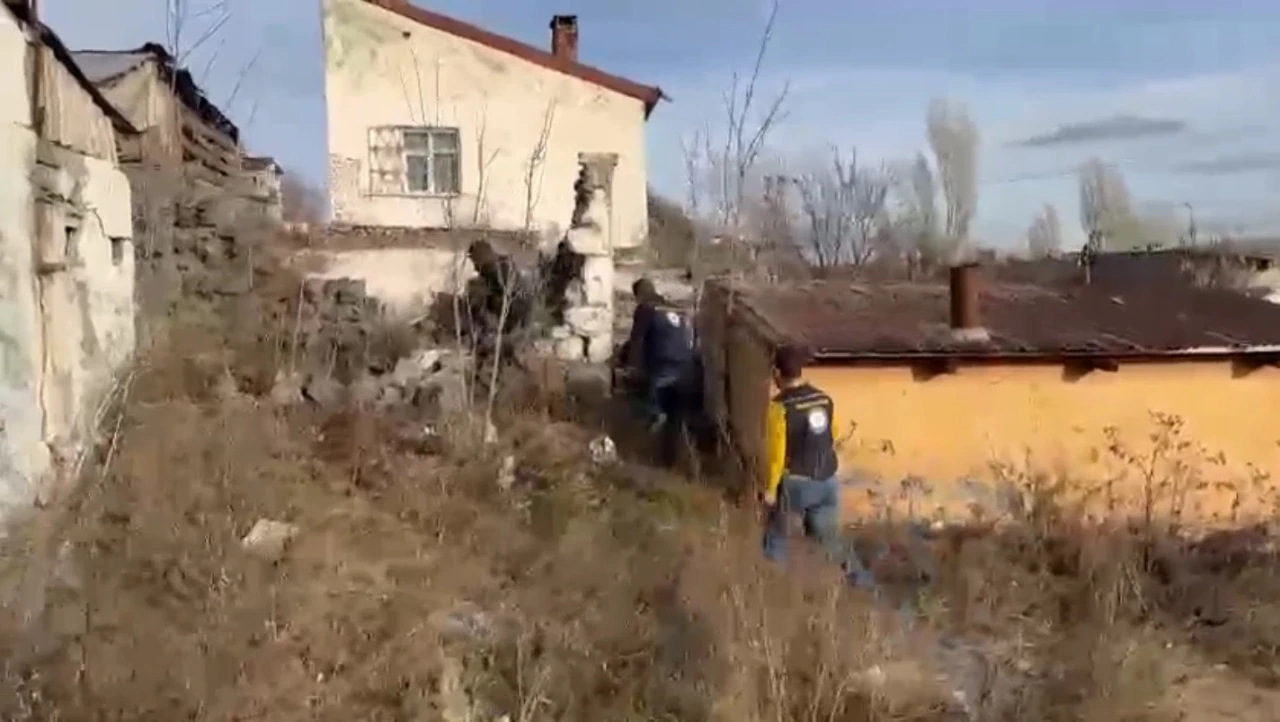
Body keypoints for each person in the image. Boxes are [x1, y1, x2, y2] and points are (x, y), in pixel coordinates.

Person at [761, 344, 845, 567]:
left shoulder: (779, 407)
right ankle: (852, 584)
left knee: (777, 538)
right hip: (828, 479)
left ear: (777, 373)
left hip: (797, 482)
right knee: (831, 543)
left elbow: (777, 453)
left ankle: (776, 585)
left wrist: (770, 490)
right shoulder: (824, 399)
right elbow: (834, 434)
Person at [625, 277, 695, 462]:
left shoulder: (645, 308)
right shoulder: (674, 307)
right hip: (687, 367)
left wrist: (632, 367)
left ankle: (653, 421)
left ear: (638, 295)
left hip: (664, 364)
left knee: (649, 407)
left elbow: (637, 339)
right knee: (676, 417)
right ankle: (674, 459)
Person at [467, 240, 533, 358]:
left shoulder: (498, 271)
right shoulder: (502, 267)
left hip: (512, 319)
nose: (476, 268)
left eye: (475, 262)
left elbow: (512, 301)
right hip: (514, 318)